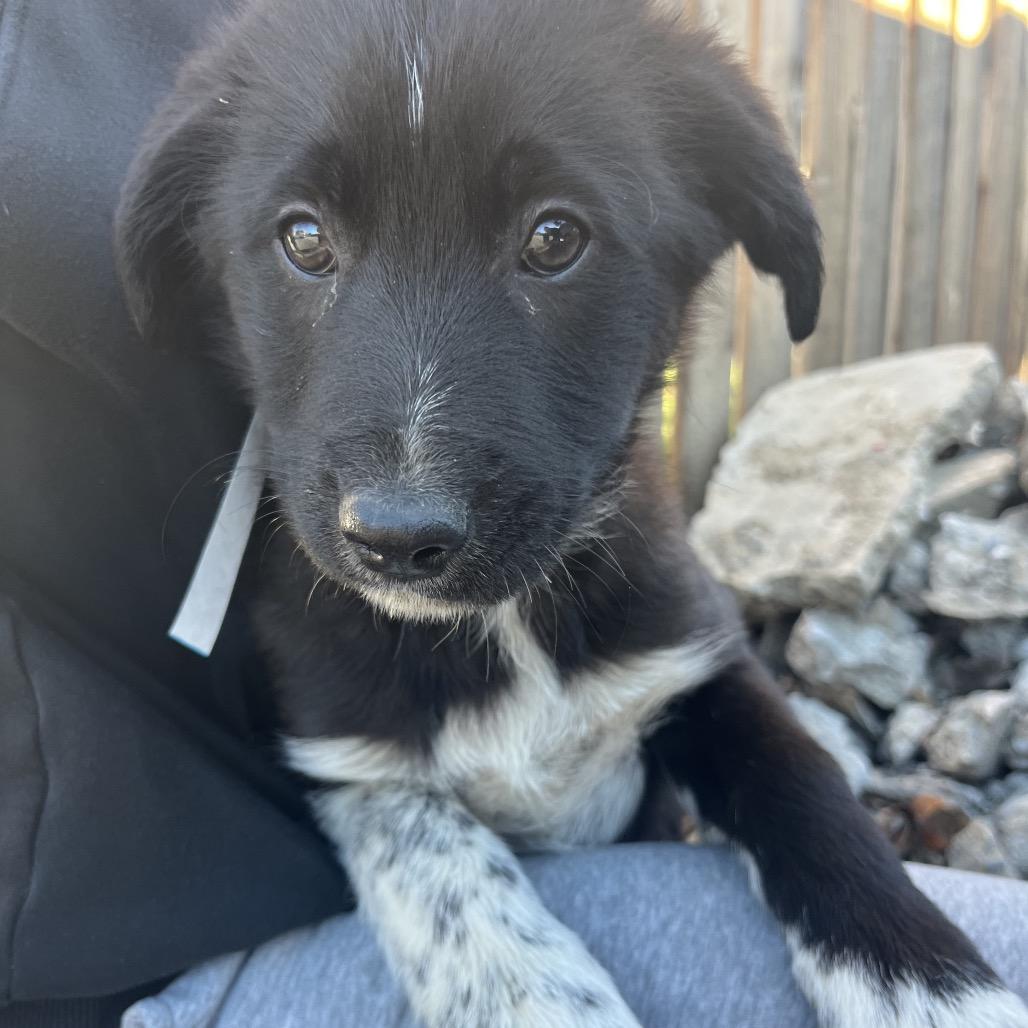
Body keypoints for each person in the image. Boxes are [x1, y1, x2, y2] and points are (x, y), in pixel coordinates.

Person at [1, 1, 1025, 1026]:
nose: (405, 489)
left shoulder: (646, 585)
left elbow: (734, 724)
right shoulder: (307, 627)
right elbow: (360, 784)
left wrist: (887, 944)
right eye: (306, 237)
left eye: (553, 237)